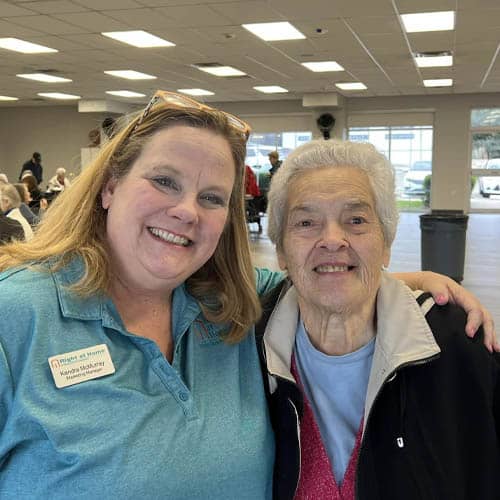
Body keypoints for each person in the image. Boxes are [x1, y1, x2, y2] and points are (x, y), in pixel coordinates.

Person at [0, 92, 495, 499]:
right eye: (164, 182)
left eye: (212, 197)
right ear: (110, 187)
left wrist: (418, 278)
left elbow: (323, 273)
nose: (186, 211)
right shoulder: (17, 316)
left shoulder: (228, 306)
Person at [257, 139, 500, 499]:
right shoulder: (248, 348)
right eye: (306, 222)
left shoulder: (459, 345)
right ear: (279, 250)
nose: (333, 239)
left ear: (386, 243)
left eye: (356, 220)